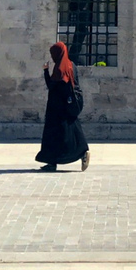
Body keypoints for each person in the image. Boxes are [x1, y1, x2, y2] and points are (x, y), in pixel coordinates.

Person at [35, 41, 90, 172]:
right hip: (69, 108)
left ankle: (53, 161)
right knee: (73, 132)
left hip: (57, 110)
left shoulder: (59, 69)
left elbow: (52, 87)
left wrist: (45, 72)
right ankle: (80, 153)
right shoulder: (72, 66)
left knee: (53, 135)